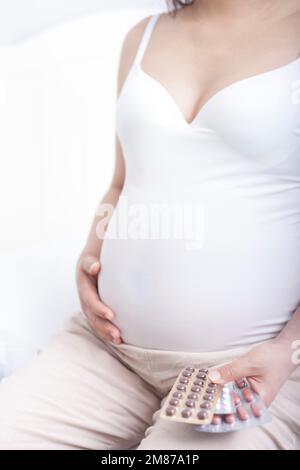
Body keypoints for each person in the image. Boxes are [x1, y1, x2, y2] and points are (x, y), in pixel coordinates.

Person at [0, 0, 299, 450]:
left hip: (250, 370)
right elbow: (122, 184)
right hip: (108, 355)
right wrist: (90, 259)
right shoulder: (145, 35)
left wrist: (289, 351)